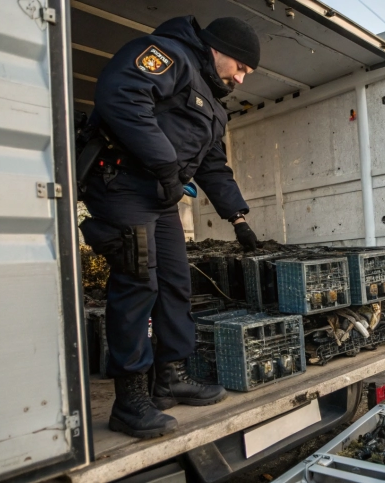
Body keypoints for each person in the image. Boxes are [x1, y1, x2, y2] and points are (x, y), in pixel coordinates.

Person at [78, 16, 261, 438]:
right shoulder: (168, 54)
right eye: (241, 67)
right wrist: (165, 167)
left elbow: (213, 164)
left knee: (176, 281)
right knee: (138, 282)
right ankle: (130, 400)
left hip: (160, 197)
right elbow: (121, 94)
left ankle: (170, 378)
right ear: (220, 49)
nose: (241, 77)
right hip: (122, 183)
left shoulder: (213, 103)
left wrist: (239, 219)